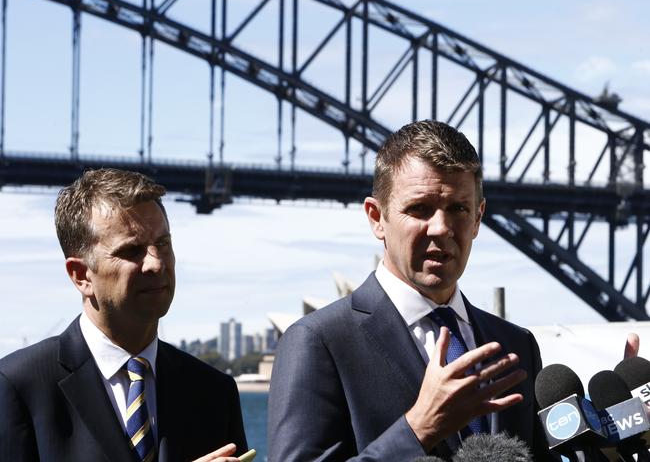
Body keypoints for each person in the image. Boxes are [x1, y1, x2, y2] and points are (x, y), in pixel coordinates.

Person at [268, 120, 551, 461]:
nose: (442, 228)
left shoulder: (515, 345)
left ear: (477, 218)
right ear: (376, 217)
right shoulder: (319, 342)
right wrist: (418, 429)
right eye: (419, 208)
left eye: (458, 209)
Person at [0, 169, 247, 461]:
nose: (156, 263)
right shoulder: (19, 386)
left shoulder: (214, 392)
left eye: (163, 244)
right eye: (132, 251)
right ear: (81, 276)